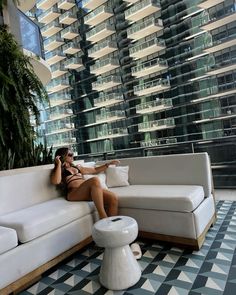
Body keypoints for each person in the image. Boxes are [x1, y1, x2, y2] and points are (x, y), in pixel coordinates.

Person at [50, 147, 119, 219]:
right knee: (94, 180)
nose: (72, 156)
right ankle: (103, 216)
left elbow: (95, 170)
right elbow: (56, 181)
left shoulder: (77, 167)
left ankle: (110, 227)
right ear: (62, 156)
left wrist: (108, 164)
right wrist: (58, 164)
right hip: (74, 193)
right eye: (70, 155)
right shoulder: (60, 170)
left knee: (113, 198)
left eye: (72, 154)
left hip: (86, 191)